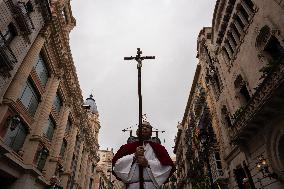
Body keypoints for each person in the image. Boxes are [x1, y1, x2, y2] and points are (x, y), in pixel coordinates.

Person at [112, 121, 175, 189]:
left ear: (151, 132)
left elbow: (168, 167)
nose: (144, 128)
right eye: (142, 127)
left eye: (147, 127)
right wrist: (134, 156)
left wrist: (148, 163)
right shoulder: (126, 148)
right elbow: (116, 165)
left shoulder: (159, 148)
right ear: (137, 131)